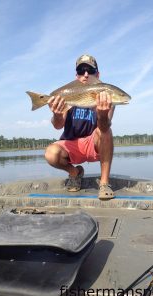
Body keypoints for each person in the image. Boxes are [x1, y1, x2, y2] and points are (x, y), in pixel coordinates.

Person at [45, 54, 115, 200]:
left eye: (90, 71)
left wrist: (102, 114)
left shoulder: (106, 95)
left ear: (98, 74)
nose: (85, 75)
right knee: (50, 153)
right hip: (71, 144)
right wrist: (57, 114)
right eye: (81, 71)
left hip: (92, 143)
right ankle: (75, 173)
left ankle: (104, 183)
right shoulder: (68, 94)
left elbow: (104, 126)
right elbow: (58, 126)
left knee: (106, 131)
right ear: (76, 75)